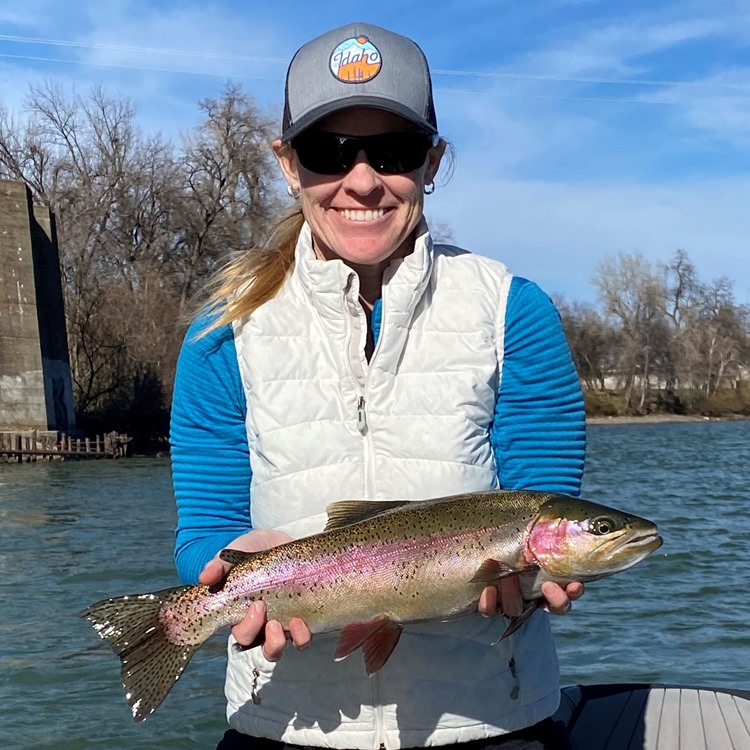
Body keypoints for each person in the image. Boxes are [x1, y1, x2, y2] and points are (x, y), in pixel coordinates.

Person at [170, 21, 586, 750]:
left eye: (391, 151)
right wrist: (234, 562)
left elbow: (539, 500)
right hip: (282, 721)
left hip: (489, 717)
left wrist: (526, 586)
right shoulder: (220, 332)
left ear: (432, 160)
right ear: (287, 163)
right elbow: (207, 523)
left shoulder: (513, 312)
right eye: (329, 152)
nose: (362, 180)